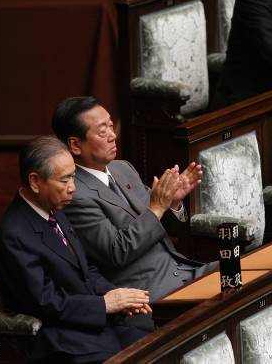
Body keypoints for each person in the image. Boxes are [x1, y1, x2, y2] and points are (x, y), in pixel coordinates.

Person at [52, 97, 214, 332]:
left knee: (252, 278)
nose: (112, 135)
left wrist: (172, 204)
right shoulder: (75, 195)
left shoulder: (122, 168)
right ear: (75, 145)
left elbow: (158, 225)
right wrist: (157, 207)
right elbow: (117, 251)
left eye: (111, 125)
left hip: (184, 270)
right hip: (150, 295)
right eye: (102, 131)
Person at [0, 136, 151, 363]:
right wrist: (103, 305)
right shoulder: (12, 234)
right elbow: (44, 301)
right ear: (35, 182)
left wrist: (117, 296)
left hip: (94, 324)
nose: (73, 188)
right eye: (64, 180)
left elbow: (86, 269)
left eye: (73, 177)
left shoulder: (55, 209)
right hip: (64, 338)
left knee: (157, 343)